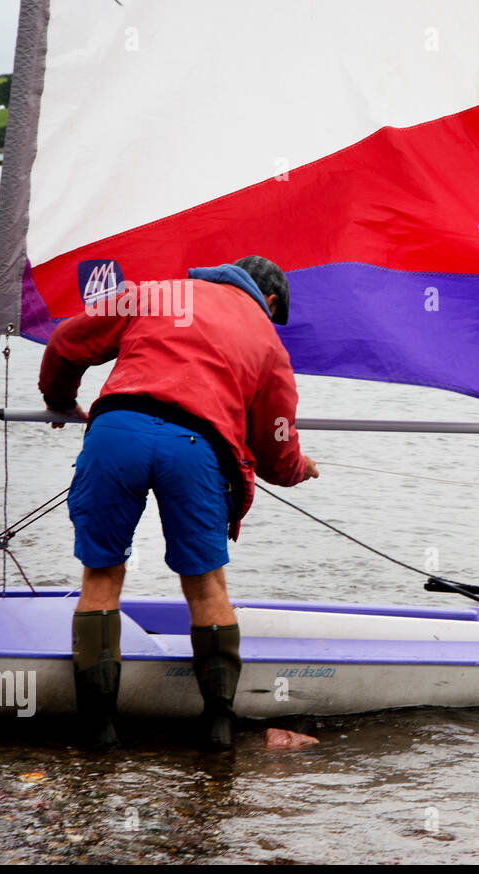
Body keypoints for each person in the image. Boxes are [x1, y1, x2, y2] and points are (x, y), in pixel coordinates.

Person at [39, 256, 318, 750]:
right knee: (206, 585)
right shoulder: (265, 339)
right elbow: (276, 449)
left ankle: (100, 732)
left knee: (102, 576)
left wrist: (60, 399)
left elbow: (66, 342)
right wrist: (302, 467)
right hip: (196, 446)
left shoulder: (154, 291)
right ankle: (217, 729)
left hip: (117, 429)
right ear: (269, 301)